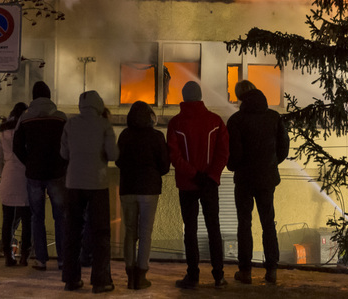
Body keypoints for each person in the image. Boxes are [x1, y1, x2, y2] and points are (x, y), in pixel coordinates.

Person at [167, 81, 229, 289]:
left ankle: (192, 276)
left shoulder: (176, 123)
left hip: (187, 184)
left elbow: (174, 156)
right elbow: (223, 152)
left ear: (183, 97)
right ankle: (218, 275)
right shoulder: (215, 121)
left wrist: (193, 174)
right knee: (214, 229)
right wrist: (211, 176)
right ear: (201, 96)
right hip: (210, 184)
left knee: (190, 231)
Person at [227, 81, 289, 285]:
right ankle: (271, 270)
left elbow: (234, 155)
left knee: (244, 224)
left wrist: (235, 166)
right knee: (268, 223)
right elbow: (283, 149)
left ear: (239, 97)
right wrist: (270, 164)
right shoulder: (273, 117)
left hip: (244, 179)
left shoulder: (236, 120)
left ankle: (245, 271)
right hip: (267, 178)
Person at [60, 90, 118, 293]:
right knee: (100, 233)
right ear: (99, 105)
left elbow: (63, 153)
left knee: (72, 231)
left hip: (73, 183)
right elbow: (113, 154)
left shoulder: (70, 124)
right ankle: (101, 281)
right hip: (97, 184)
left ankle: (71, 279)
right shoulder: (104, 125)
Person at [13, 81, 67, 271]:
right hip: (56, 173)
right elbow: (68, 144)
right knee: (60, 216)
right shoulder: (61, 118)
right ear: (50, 96)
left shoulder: (25, 118)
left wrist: (29, 162)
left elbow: (16, 146)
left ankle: (41, 259)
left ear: (33, 97)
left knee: (37, 216)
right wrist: (63, 163)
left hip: (34, 173)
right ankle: (62, 259)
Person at [116, 100, 170, 290]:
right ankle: (141, 274)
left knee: (130, 232)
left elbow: (118, 162)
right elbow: (164, 166)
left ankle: (130, 274)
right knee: (145, 233)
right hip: (149, 189)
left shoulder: (124, 135)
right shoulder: (157, 137)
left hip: (128, 189)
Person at [0, 102, 31, 266]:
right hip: (26, 178)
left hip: (8, 177)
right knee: (27, 219)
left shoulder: (4, 133)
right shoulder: (28, 131)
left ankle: (8, 255)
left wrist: (4, 173)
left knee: (7, 220)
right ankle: (24, 256)